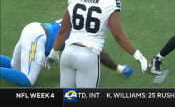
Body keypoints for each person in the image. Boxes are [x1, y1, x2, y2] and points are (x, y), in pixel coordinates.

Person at [45, 0, 148, 88]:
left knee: (68, 98)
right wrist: (137, 54)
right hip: (89, 56)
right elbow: (118, 35)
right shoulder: (111, 3)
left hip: (68, 54)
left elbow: (63, 30)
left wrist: (54, 52)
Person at [0, 20, 133, 87]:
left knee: (14, 66)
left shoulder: (77, 15)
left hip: (33, 28)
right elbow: (101, 55)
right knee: (28, 80)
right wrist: (119, 69)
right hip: (38, 38)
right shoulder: (86, 33)